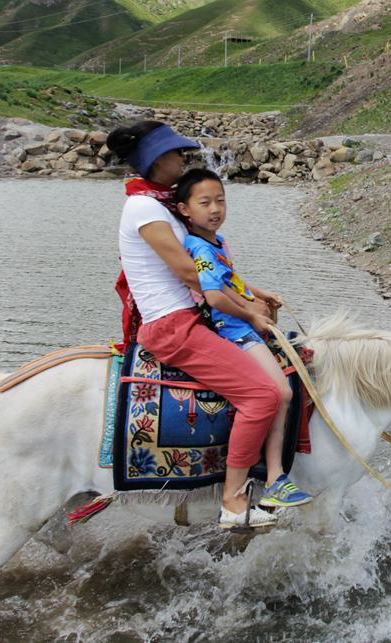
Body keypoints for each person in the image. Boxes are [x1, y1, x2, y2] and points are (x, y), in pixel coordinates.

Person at [106, 120, 300, 530]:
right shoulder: (143, 207)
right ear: (157, 160)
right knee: (264, 396)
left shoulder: (158, 203)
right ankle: (233, 499)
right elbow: (190, 274)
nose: (181, 159)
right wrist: (248, 309)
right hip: (174, 325)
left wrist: (254, 295)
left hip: (193, 317)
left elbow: (214, 271)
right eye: (176, 154)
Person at [173, 167, 311, 509]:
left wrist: (261, 292)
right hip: (233, 332)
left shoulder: (216, 242)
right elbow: (215, 297)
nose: (215, 209)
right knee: (280, 392)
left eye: (220, 200)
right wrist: (252, 315)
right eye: (204, 202)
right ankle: (275, 476)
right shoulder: (201, 251)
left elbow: (231, 282)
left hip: (241, 325)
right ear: (184, 209)